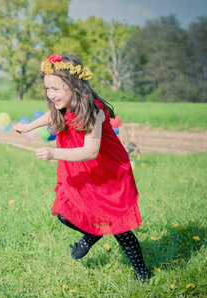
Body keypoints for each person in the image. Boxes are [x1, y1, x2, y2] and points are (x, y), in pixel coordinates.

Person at [13, 54, 150, 282]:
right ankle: (91, 233)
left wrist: (53, 153)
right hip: (80, 171)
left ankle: (142, 272)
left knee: (119, 228)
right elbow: (52, 114)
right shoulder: (63, 105)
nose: (51, 94)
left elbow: (91, 151)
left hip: (107, 173)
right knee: (65, 213)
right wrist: (28, 126)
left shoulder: (93, 110)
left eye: (56, 89)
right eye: (48, 89)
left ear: (74, 86)